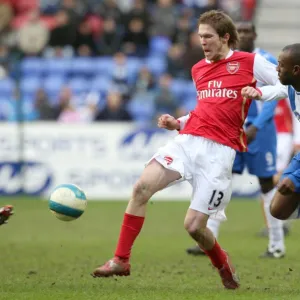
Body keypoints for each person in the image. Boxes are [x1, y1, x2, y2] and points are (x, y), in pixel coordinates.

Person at [92, 10, 280, 289]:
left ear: (225, 37)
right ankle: (121, 259)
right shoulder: (198, 69)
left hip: (220, 152)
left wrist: (260, 93)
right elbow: (205, 111)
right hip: (188, 142)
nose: (202, 41)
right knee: (141, 189)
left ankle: (222, 262)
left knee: (194, 227)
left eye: (208, 36)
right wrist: (177, 122)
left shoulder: (250, 62)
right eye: (200, 36)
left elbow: (283, 86)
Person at [186, 22, 286, 258]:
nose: (244, 35)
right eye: (240, 31)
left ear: (255, 34)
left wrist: (257, 126)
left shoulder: (262, 58)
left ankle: (276, 244)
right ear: (233, 35)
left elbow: (276, 94)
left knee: (266, 184)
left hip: (260, 133)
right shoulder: (225, 61)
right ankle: (208, 239)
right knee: (218, 179)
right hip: (230, 130)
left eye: (248, 31)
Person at [241, 43, 300, 222]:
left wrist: (297, 177)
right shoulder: (291, 88)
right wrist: (257, 92)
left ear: (296, 70)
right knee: (278, 210)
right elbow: (275, 90)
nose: (277, 68)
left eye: (282, 65)